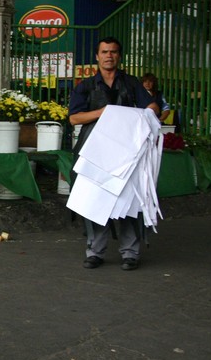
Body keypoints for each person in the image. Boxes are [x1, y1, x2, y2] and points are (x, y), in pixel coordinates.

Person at [68, 37, 160, 271]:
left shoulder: (131, 84)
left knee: (129, 201)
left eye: (114, 52)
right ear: (97, 56)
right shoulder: (85, 86)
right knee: (93, 201)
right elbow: (74, 118)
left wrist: (151, 111)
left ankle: (130, 253)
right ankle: (95, 252)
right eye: (105, 52)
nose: (109, 55)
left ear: (119, 56)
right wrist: (103, 112)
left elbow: (152, 106)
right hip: (94, 152)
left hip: (127, 153)